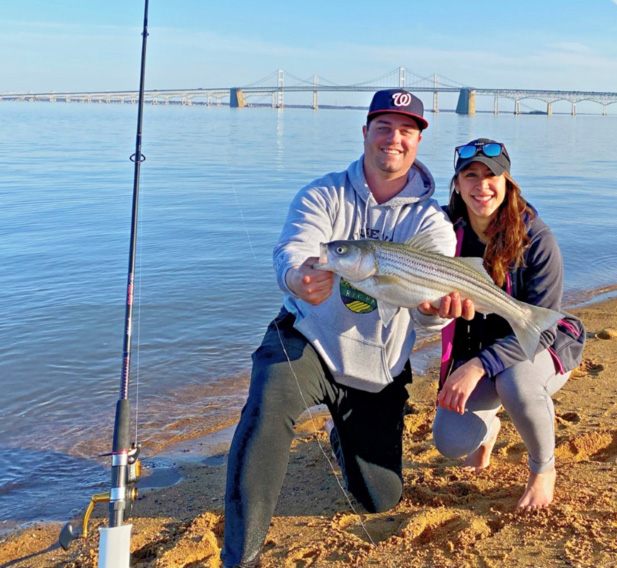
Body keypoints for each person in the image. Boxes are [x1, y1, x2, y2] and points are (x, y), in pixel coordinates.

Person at [221, 89, 471, 568]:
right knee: (266, 405)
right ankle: (241, 557)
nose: (393, 140)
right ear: (365, 133)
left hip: (378, 365)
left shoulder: (432, 223)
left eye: (406, 130)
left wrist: (440, 309)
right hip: (308, 339)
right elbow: (293, 249)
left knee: (380, 498)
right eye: (383, 127)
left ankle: (343, 436)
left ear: (417, 141)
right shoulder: (323, 193)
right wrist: (297, 276)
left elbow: (424, 315)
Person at [433, 138, 585, 511]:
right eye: (470, 175)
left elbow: (543, 327)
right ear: (456, 184)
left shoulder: (537, 239)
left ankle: (543, 469)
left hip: (538, 345)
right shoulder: (440, 230)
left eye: (492, 175)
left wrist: (477, 367)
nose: (481, 186)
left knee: (515, 381)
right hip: (476, 349)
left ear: (508, 182)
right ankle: (488, 433)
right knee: (450, 441)